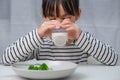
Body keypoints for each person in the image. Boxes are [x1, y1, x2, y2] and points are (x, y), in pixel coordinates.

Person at [1, 0, 118, 66]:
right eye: (52, 19)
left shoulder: (83, 41)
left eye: (65, 18)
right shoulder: (40, 43)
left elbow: (114, 60)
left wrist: (80, 36)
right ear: (43, 15)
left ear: (77, 15)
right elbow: (6, 59)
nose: (58, 25)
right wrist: (37, 35)